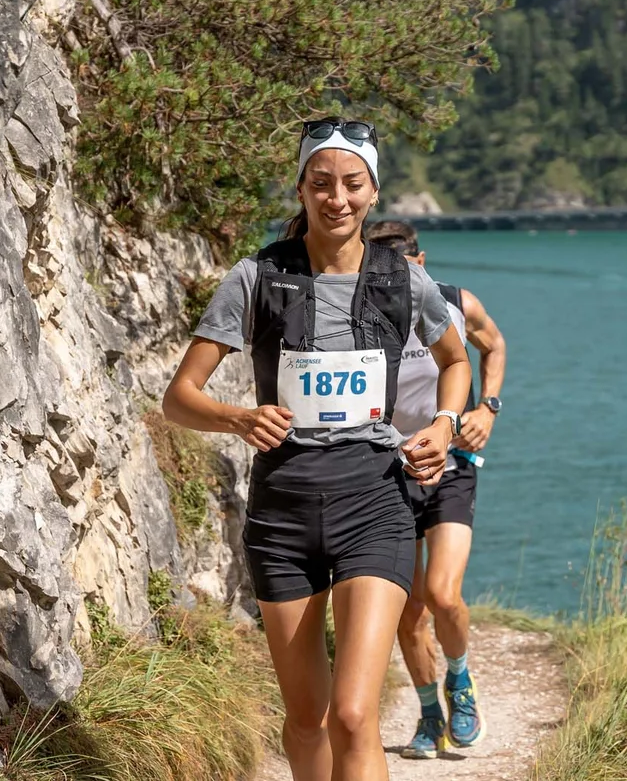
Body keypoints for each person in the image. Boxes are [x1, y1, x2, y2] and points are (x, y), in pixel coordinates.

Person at [164, 121, 473, 781]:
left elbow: (457, 360)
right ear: (301, 187)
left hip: (375, 502)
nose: (338, 198)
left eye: (353, 184)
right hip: (284, 514)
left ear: (374, 191)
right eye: (322, 183)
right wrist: (237, 418)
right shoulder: (256, 277)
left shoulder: (404, 281)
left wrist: (446, 423)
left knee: (355, 716)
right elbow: (178, 398)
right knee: (307, 722)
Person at [364, 220, 508, 759]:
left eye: (407, 271)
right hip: (388, 472)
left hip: (450, 463)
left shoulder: (454, 303)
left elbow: (493, 347)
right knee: (408, 612)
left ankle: (461, 683)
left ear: (422, 261)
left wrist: (487, 408)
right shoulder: (360, 317)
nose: (398, 283)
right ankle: (429, 715)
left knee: (443, 595)